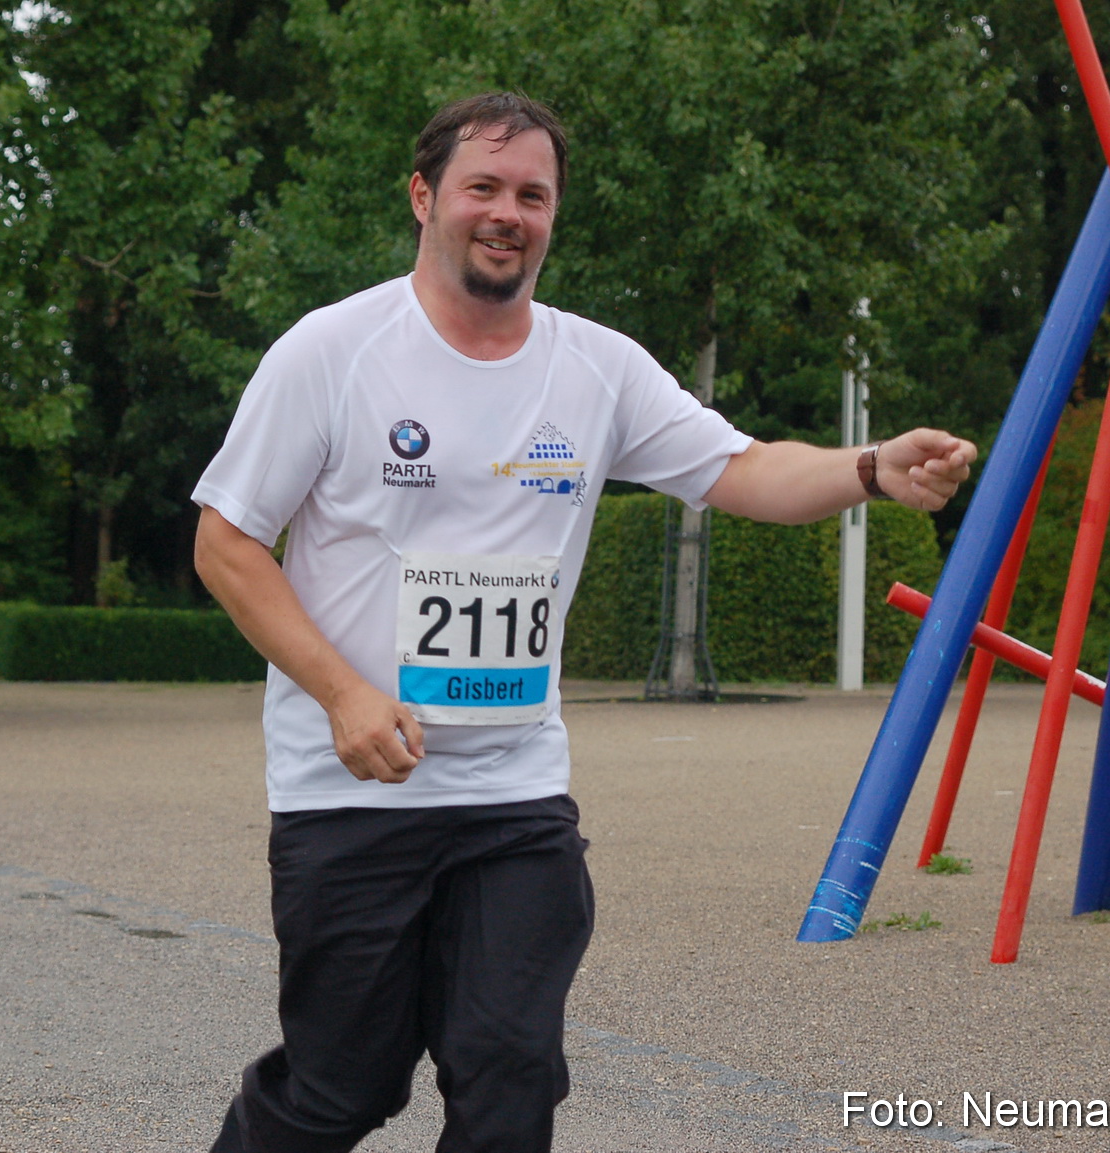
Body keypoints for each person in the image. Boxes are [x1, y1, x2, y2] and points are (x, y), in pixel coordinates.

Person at [192, 91, 977, 1153]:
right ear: (425, 197)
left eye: (533, 194)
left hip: (515, 795)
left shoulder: (596, 369)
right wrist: (343, 694)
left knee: (512, 1074)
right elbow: (228, 542)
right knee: (342, 1086)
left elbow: (741, 467)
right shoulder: (330, 354)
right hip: (351, 797)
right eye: (483, 186)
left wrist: (870, 469)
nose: (507, 211)